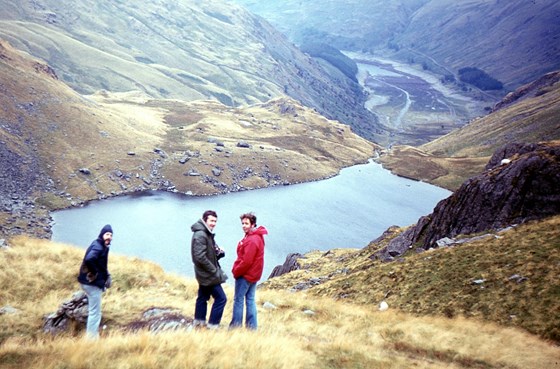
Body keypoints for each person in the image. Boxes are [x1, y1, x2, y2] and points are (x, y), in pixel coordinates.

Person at [230, 212, 268, 330]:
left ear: (253, 224)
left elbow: (246, 262)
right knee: (250, 299)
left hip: (245, 276)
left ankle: (235, 327)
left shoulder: (252, 240)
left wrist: (236, 271)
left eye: (246, 223)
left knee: (238, 300)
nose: (244, 226)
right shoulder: (257, 236)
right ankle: (252, 328)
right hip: (254, 275)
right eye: (242, 223)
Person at [191, 210, 228, 329]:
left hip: (204, 273)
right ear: (204, 220)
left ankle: (199, 322)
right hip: (207, 274)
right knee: (221, 299)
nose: (213, 223)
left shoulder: (205, 233)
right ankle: (213, 326)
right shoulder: (201, 235)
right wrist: (214, 270)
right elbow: (199, 257)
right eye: (211, 221)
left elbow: (207, 254)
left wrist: (219, 253)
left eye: (215, 221)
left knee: (203, 297)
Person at [77, 224, 113, 339]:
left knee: (93, 309)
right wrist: (95, 273)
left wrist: (106, 275)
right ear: (102, 234)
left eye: (111, 235)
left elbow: (100, 263)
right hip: (91, 283)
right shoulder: (98, 246)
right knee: (95, 313)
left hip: (86, 282)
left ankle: (90, 336)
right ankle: (92, 339)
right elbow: (89, 259)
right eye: (107, 234)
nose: (109, 237)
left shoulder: (99, 245)